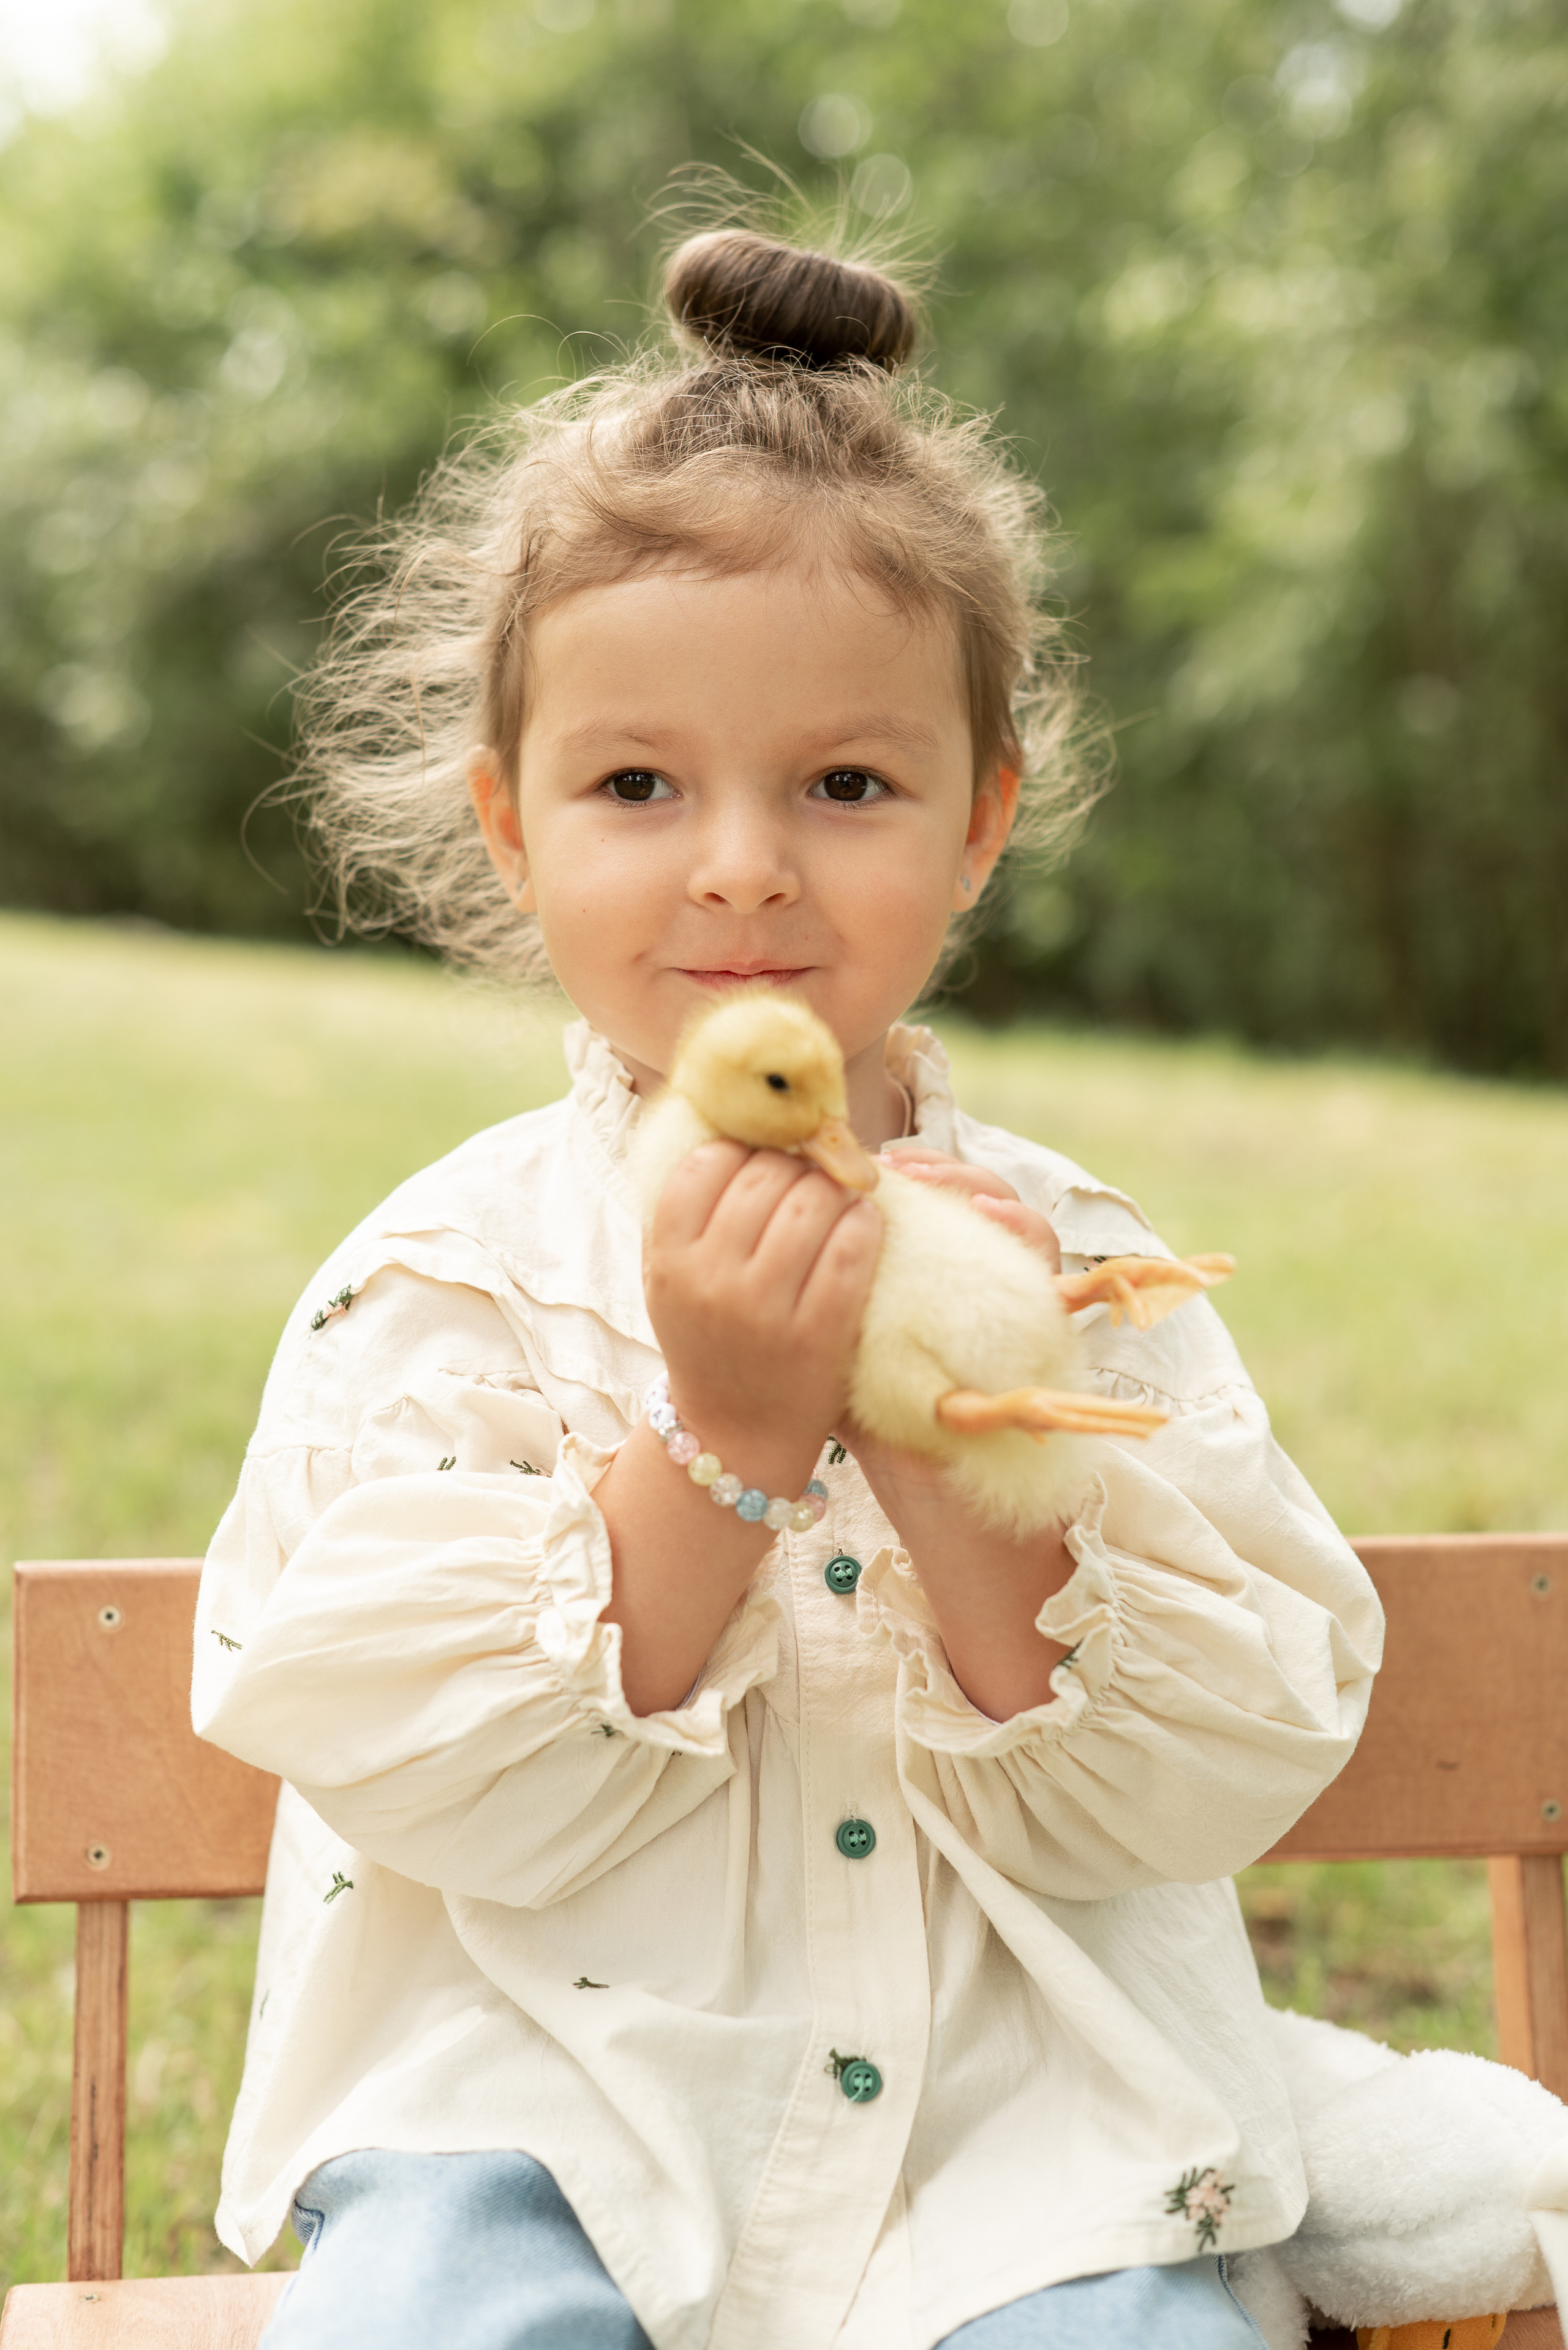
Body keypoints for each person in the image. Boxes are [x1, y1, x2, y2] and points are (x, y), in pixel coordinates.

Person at [194, 222, 1383, 2350]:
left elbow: (1207, 1770)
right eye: (638, 785)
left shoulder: (1086, 1272)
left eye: (844, 785)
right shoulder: (442, 1284)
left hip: (1011, 2148)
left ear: (980, 819)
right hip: (540, 2124)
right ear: (511, 822)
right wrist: (724, 1444)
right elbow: (434, 1773)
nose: (741, 862)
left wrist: (961, 1438)